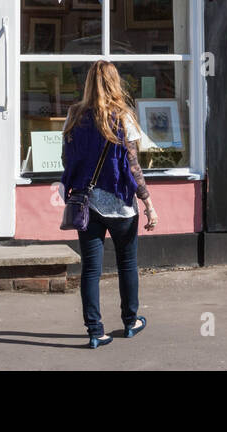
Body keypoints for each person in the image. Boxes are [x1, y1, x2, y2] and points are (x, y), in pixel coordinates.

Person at [60, 60, 159, 349]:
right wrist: (149, 204)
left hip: (87, 204)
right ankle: (130, 322)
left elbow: (68, 160)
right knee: (127, 264)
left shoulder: (74, 116)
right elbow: (133, 168)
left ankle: (95, 331)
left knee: (91, 269)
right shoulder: (123, 116)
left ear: (89, 82)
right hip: (121, 206)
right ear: (116, 83)